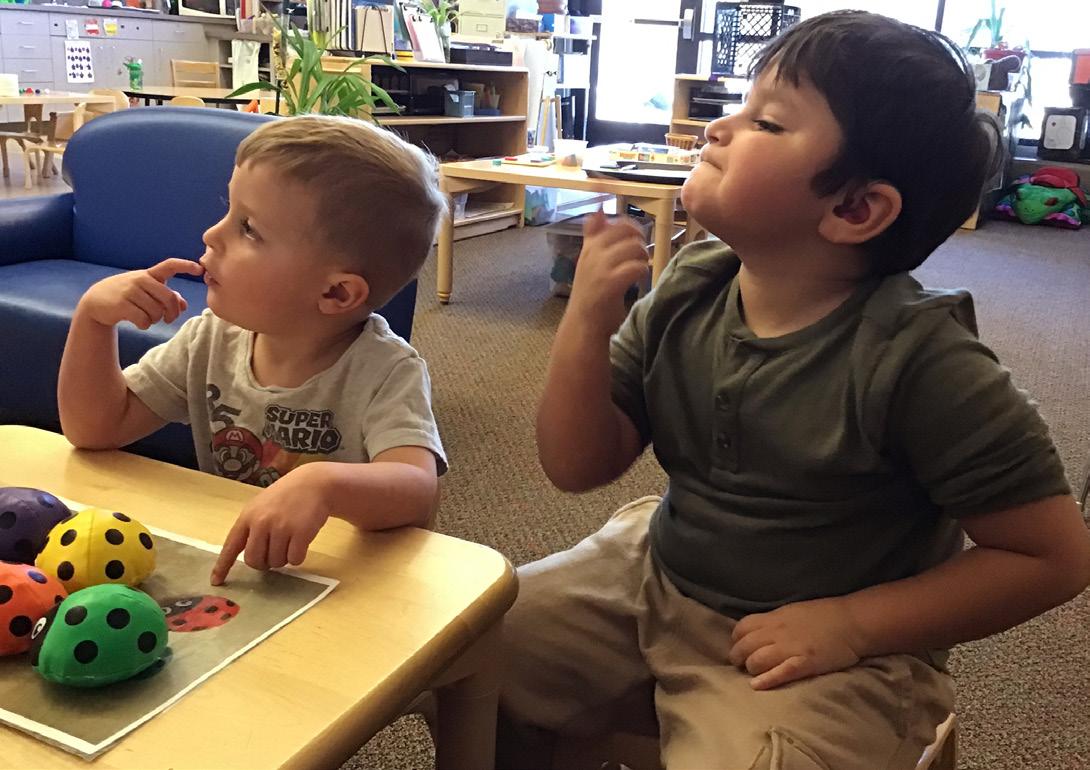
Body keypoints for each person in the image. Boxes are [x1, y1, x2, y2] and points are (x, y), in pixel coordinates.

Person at [499, 12, 1090, 769]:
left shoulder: (925, 363)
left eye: (767, 122)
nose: (719, 128)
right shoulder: (690, 285)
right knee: (466, 648)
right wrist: (585, 322)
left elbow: (1053, 557)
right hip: (660, 570)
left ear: (854, 210)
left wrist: (852, 625)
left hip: (832, 648)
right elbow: (576, 465)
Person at [58, 115, 448, 587]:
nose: (211, 234)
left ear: (336, 293)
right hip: (238, 568)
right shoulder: (210, 340)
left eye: (248, 228)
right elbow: (96, 428)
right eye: (228, 211)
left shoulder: (387, 371)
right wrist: (93, 322)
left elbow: (417, 489)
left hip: (341, 581)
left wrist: (321, 483)